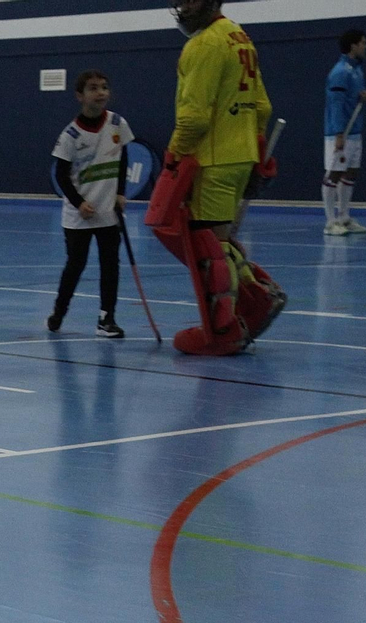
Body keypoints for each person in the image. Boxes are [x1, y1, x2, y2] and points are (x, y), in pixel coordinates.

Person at [146, 0, 285, 356]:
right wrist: (255, 146)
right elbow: (264, 106)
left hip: (211, 159)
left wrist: (173, 155)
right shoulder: (239, 37)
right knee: (218, 242)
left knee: (207, 247)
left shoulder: (204, 43)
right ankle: (255, 301)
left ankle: (222, 332)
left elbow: (194, 117)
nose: (183, 7)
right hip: (240, 156)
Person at [48, 69, 132, 339]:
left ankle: (106, 319)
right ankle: (60, 310)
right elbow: (61, 174)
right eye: (94, 88)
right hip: (79, 215)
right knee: (76, 265)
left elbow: (123, 158)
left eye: (104, 87)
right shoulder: (70, 135)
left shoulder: (118, 123)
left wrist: (120, 193)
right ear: (80, 96)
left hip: (109, 211)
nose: (101, 93)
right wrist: (79, 202)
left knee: (111, 265)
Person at [322, 28, 366, 236]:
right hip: (341, 133)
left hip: (355, 131)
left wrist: (362, 96)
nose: (365, 46)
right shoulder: (340, 72)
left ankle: (344, 216)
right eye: (363, 43)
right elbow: (335, 103)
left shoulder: (357, 70)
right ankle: (330, 221)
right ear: (353, 45)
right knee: (334, 173)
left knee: (351, 173)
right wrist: (339, 133)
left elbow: (351, 98)